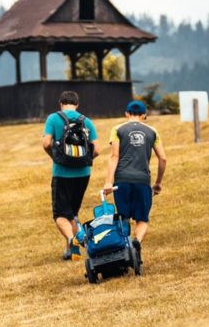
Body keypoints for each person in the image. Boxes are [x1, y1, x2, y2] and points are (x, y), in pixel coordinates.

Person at [102, 101, 167, 264]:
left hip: (122, 181)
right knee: (142, 219)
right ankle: (136, 241)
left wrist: (108, 182)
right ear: (144, 115)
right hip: (143, 181)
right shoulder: (152, 132)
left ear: (127, 114)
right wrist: (158, 183)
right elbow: (163, 158)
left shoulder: (117, 130)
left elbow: (114, 156)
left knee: (123, 217)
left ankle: (124, 250)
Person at [42, 91, 99, 260]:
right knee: (72, 213)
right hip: (83, 174)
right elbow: (97, 149)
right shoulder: (86, 121)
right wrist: (85, 160)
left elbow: (46, 143)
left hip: (62, 173)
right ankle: (70, 250)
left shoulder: (53, 118)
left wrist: (55, 157)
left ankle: (71, 239)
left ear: (61, 103)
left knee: (60, 215)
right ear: (77, 104)